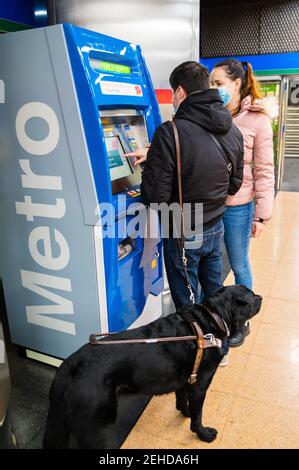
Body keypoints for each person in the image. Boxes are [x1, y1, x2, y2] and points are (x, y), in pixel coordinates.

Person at [130, 61, 244, 314]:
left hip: (183, 229)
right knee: (215, 294)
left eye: (173, 93)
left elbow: (156, 197)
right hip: (216, 225)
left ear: (180, 92)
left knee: (188, 304)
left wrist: (152, 167)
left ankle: (197, 348)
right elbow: (234, 185)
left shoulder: (170, 132)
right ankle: (219, 347)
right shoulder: (232, 129)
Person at [210, 59, 275, 348]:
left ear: (236, 84)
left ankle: (242, 320)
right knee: (213, 262)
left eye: (218, 83)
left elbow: (264, 168)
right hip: (210, 203)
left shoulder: (258, 119)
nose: (213, 89)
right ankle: (215, 316)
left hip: (239, 205)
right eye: (211, 83)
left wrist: (261, 215)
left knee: (238, 261)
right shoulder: (210, 114)